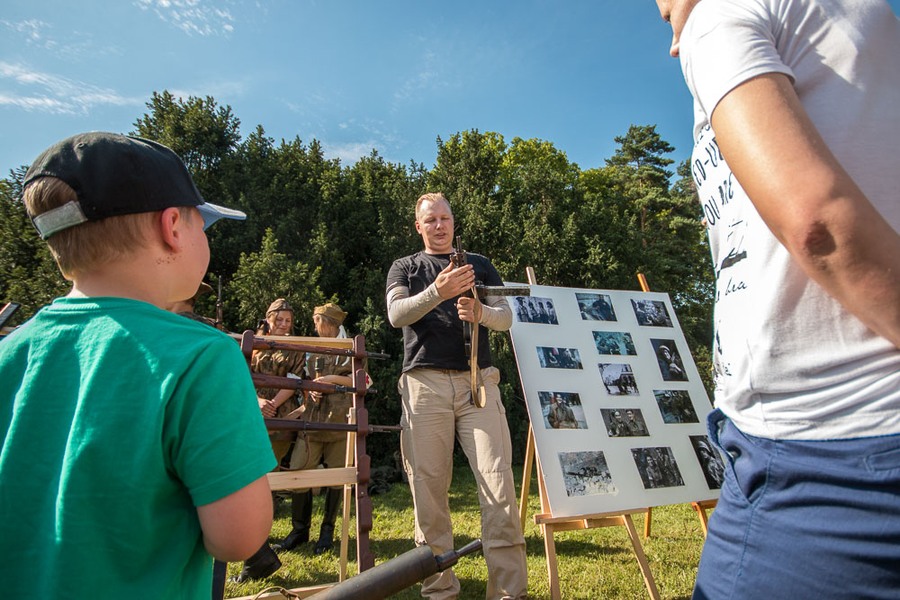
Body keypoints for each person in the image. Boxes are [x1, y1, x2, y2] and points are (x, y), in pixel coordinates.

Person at [655, 1, 900, 597]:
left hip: (825, 453)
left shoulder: (722, 14)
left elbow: (819, 225)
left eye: (661, 9)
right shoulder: (866, 16)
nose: (667, 30)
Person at [0, 132, 276, 598]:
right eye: (202, 225)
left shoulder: (10, 353)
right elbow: (238, 538)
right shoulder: (201, 356)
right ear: (173, 227)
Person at [386, 192, 527, 599]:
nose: (439, 226)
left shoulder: (479, 263)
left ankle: (509, 593)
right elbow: (396, 314)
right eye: (430, 220)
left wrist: (482, 313)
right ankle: (440, 591)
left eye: (444, 218)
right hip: (424, 385)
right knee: (428, 491)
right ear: (418, 226)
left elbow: (506, 317)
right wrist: (438, 290)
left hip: (477, 382)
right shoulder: (405, 267)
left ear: (453, 222)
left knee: (499, 485)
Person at [276, 302, 362, 555]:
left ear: (327, 323)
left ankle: (327, 532)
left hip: (339, 423)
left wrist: (329, 381)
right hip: (312, 421)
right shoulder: (312, 348)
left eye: (317, 321)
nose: (314, 326)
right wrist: (311, 389)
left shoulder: (350, 347)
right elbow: (303, 379)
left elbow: (362, 380)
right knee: (298, 471)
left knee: (337, 478)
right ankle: (299, 531)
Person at [233, 297, 307, 582]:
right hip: (251, 416)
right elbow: (243, 375)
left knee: (268, 479)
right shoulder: (254, 343)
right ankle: (255, 546)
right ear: (269, 318)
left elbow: (294, 379)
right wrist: (258, 402)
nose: (284, 324)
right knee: (248, 478)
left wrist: (272, 403)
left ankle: (258, 548)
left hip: (280, 418)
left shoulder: (295, 346)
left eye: (288, 320)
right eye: (280, 319)